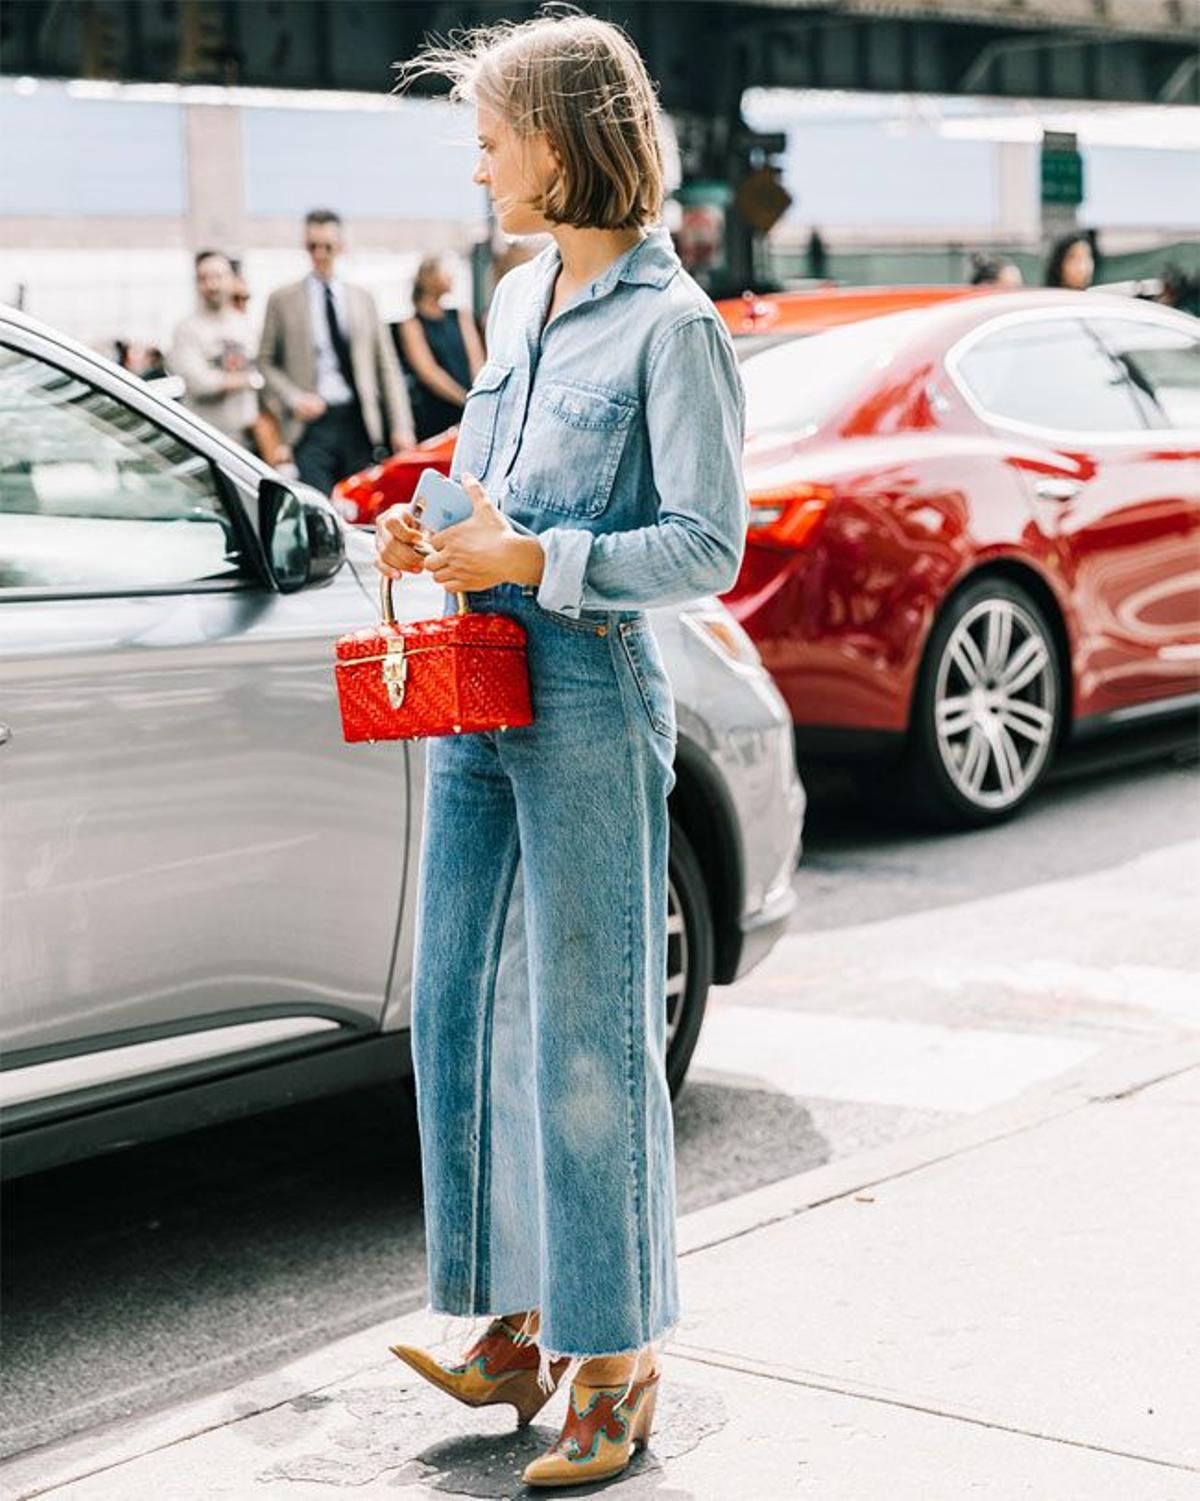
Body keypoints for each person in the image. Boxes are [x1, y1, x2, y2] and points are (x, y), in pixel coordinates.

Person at [377, 12, 747, 1489]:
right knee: (470, 1007)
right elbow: (494, 485)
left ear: (565, 141)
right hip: (479, 686)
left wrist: (531, 556)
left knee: (591, 1041)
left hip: (589, 695)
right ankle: (517, 1326)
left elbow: (704, 545)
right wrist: (439, 519)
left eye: (490, 140)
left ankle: (618, 1358)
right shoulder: (522, 299)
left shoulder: (677, 327)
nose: (478, 170)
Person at [257, 209, 414, 494]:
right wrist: (293, 397)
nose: (320, 254)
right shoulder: (282, 300)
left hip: (358, 420)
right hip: (310, 426)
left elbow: (386, 366)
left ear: (340, 246)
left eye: (327, 246)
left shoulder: (363, 299)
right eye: (312, 246)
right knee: (317, 508)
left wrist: (401, 425)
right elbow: (265, 362)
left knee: (358, 506)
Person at [168, 250, 261, 444]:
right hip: (207, 440)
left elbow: (263, 369)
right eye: (203, 278)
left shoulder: (246, 324)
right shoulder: (186, 329)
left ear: (232, 279)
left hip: (248, 437)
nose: (211, 285)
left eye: (218, 277)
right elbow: (201, 383)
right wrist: (248, 380)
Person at [395, 254, 486, 441]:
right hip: (435, 413)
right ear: (429, 278)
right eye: (446, 271)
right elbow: (429, 373)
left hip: (471, 407)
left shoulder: (461, 316)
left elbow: (477, 361)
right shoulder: (412, 324)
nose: (452, 276)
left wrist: (478, 398)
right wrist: (465, 399)